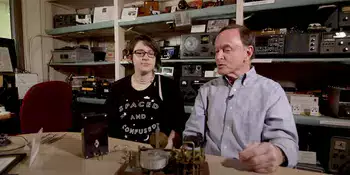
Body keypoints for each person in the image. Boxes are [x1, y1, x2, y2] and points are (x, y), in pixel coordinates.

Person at [183, 24, 298, 173]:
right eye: (216, 51)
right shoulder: (206, 90)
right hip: (208, 168)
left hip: (250, 171)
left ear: (248, 52)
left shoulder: (272, 91)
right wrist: (189, 146)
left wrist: (277, 153)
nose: (218, 56)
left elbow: (287, 143)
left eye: (226, 50)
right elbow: (193, 131)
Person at [106, 35, 185, 148]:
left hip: (159, 153)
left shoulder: (169, 87)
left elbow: (178, 123)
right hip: (124, 150)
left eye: (151, 53)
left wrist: (170, 142)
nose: (145, 57)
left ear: (155, 58)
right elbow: (110, 124)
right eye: (139, 52)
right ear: (130, 57)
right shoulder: (117, 88)